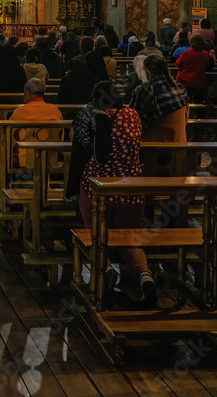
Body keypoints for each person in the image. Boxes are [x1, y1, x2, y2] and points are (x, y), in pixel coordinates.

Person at [77, 82, 157, 305]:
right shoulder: (132, 115)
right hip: (130, 186)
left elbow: (81, 146)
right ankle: (144, 275)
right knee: (129, 239)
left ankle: (107, 269)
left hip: (96, 186)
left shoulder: (92, 116)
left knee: (95, 235)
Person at [129, 54, 189, 162]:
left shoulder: (144, 90)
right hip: (179, 147)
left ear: (148, 72)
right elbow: (185, 119)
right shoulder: (180, 89)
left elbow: (135, 123)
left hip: (153, 152)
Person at [9, 79, 63, 166]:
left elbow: (11, 138)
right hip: (50, 161)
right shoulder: (55, 111)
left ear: (28, 92)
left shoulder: (19, 112)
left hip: (24, 161)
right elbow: (61, 137)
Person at [175, 33, 210, 102]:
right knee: (199, 101)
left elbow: (178, 64)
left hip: (184, 81)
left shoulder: (186, 53)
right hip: (199, 82)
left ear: (191, 43)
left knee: (185, 101)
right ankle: (199, 112)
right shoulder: (205, 54)